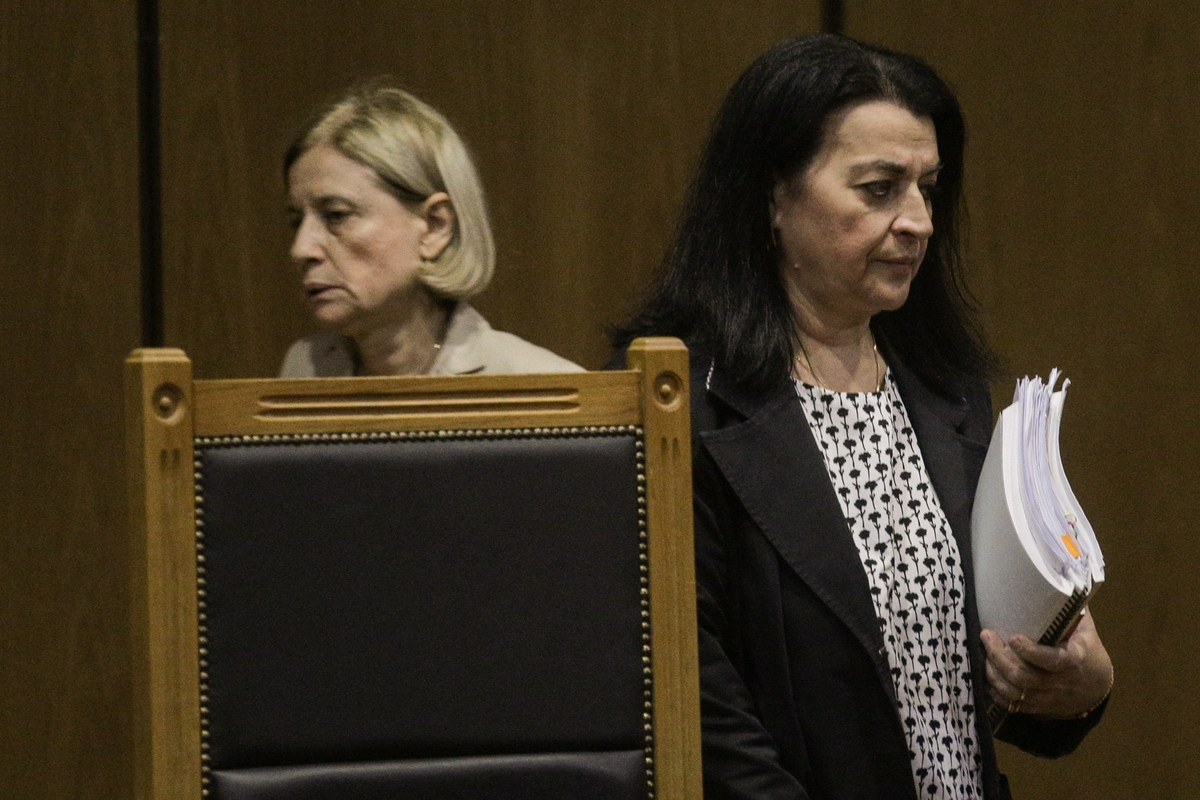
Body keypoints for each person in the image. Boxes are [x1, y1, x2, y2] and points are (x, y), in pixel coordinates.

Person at [613, 34, 1113, 799]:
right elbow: (702, 715)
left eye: (928, 189)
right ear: (772, 197)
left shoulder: (948, 392)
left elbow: (975, 683)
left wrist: (1077, 686)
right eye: (880, 189)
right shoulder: (683, 406)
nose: (918, 221)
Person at [280, 83, 581, 377]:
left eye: (336, 215)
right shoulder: (304, 369)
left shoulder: (538, 384)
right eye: (297, 221)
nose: (301, 249)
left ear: (435, 227)